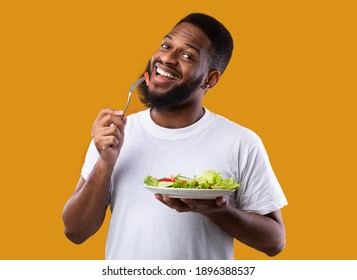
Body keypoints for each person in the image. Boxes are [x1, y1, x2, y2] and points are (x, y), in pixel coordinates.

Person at [62, 13, 288, 260]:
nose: (166, 58)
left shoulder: (241, 142)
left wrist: (216, 211)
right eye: (166, 45)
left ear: (210, 80)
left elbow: (274, 241)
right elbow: (75, 231)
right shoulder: (114, 134)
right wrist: (105, 163)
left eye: (187, 56)